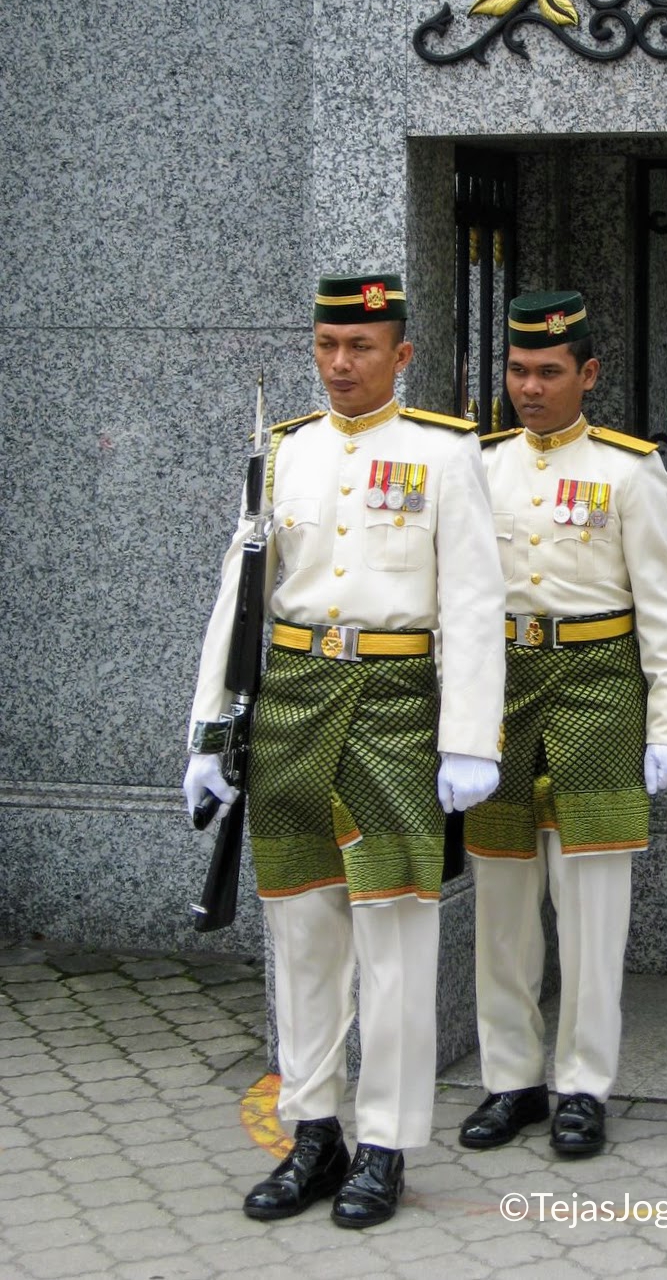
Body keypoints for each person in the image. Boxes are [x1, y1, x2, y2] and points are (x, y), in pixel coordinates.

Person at [184, 272, 504, 1228]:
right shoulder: (282, 453)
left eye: (360, 348)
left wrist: (469, 738)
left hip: (398, 706)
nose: (339, 364)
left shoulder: (444, 454)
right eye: (327, 346)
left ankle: (387, 1144)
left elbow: (475, 603)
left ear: (400, 354)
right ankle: (313, 1130)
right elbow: (239, 598)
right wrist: (208, 731)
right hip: (292, 703)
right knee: (302, 933)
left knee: (396, 937)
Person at [459, 290, 667, 1158]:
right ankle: (511, 1080)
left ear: (587, 374)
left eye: (549, 371)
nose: (530, 386)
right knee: (502, 902)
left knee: (593, 909)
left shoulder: (630, 471)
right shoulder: (477, 468)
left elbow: (665, 611)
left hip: (599, 690)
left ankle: (585, 1085)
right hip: (503, 691)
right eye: (519, 370)